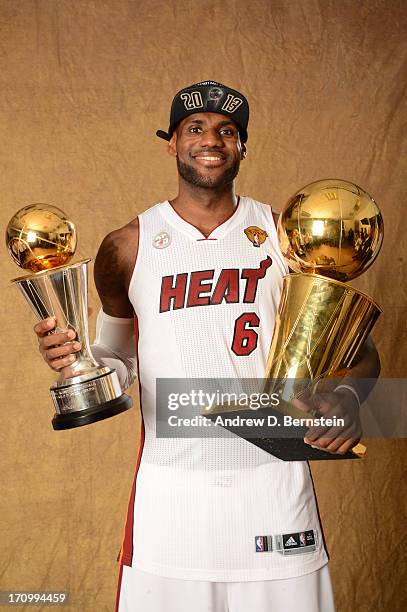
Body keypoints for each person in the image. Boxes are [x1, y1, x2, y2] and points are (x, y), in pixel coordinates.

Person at [34, 81, 380, 612]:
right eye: (194, 128)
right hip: (173, 497)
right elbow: (116, 358)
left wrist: (349, 400)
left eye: (227, 130)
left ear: (243, 146)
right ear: (171, 143)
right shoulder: (128, 246)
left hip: (275, 488)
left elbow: (361, 355)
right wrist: (75, 363)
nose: (210, 140)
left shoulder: (285, 235)